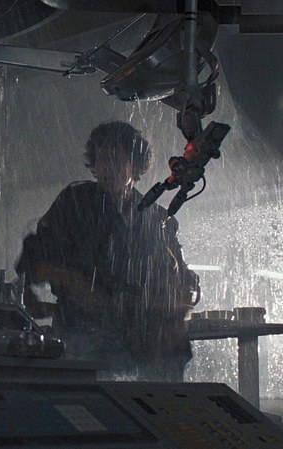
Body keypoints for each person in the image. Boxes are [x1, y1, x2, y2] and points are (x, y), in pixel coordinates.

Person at [16, 121, 200, 381]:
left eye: (117, 159)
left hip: (139, 341)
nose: (108, 167)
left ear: (135, 166)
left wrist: (180, 300)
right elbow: (34, 260)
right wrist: (68, 284)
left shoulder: (156, 219)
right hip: (81, 337)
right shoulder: (74, 203)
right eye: (102, 159)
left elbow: (182, 280)